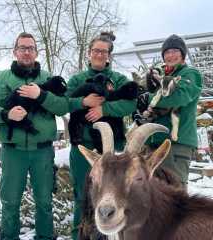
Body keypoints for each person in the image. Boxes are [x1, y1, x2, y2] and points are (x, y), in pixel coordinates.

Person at [0, 32, 69, 240]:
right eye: (22, 48)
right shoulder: (0, 79)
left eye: (30, 48)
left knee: (44, 202)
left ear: (36, 52)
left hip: (42, 151)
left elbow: (63, 106)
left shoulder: (49, 78)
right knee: (10, 202)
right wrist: (6, 115)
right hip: (12, 152)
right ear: (15, 51)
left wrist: (40, 96)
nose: (26, 52)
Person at [66, 32, 137, 240]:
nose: (99, 54)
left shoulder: (119, 79)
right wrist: (83, 102)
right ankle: (79, 236)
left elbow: (131, 103)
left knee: (114, 197)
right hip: (83, 149)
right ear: (89, 54)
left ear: (109, 56)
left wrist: (104, 109)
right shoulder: (77, 79)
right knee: (82, 196)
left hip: (112, 151)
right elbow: (65, 102)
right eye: (95, 51)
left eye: (103, 52)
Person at [137, 34, 203, 187]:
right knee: (154, 193)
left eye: (175, 51)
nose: (170, 55)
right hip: (154, 143)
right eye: (167, 52)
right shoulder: (160, 77)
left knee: (174, 190)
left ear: (183, 54)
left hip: (176, 144)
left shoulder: (189, 74)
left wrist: (149, 98)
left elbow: (179, 96)